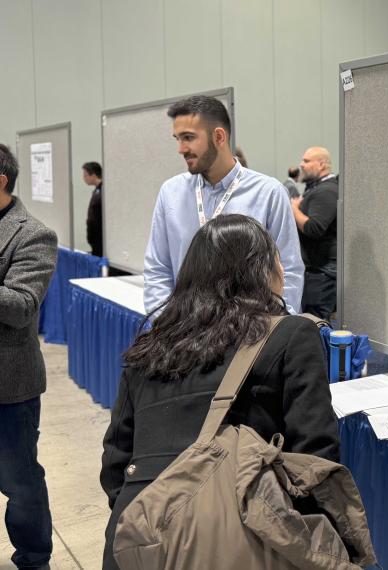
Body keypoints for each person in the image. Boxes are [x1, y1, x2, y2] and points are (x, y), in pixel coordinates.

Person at [101, 214, 339, 570]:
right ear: (262, 271)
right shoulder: (291, 335)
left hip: (137, 539)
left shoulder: (149, 347)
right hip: (239, 542)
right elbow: (315, 459)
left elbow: (115, 461)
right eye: (277, 258)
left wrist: (158, 520)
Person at [143, 95, 304, 314]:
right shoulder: (170, 193)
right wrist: (165, 322)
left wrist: (275, 326)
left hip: (249, 330)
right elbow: (158, 269)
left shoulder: (269, 193)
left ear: (219, 136)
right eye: (178, 139)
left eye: (188, 138)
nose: (181, 149)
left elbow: (289, 270)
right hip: (185, 329)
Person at [0, 143, 58, 570]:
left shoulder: (33, 234)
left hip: (9, 386)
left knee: (19, 481)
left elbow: (22, 306)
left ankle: (35, 559)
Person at [291, 147, 338, 319]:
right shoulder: (318, 188)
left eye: (306, 161)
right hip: (318, 271)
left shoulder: (326, 191)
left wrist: (294, 209)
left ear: (322, 164)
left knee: (315, 322)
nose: (301, 165)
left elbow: (314, 228)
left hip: (322, 272)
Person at [81, 161, 103, 257]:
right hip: (95, 239)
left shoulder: (102, 192)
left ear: (93, 175)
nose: (84, 178)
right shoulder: (97, 191)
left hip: (100, 239)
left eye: (85, 175)